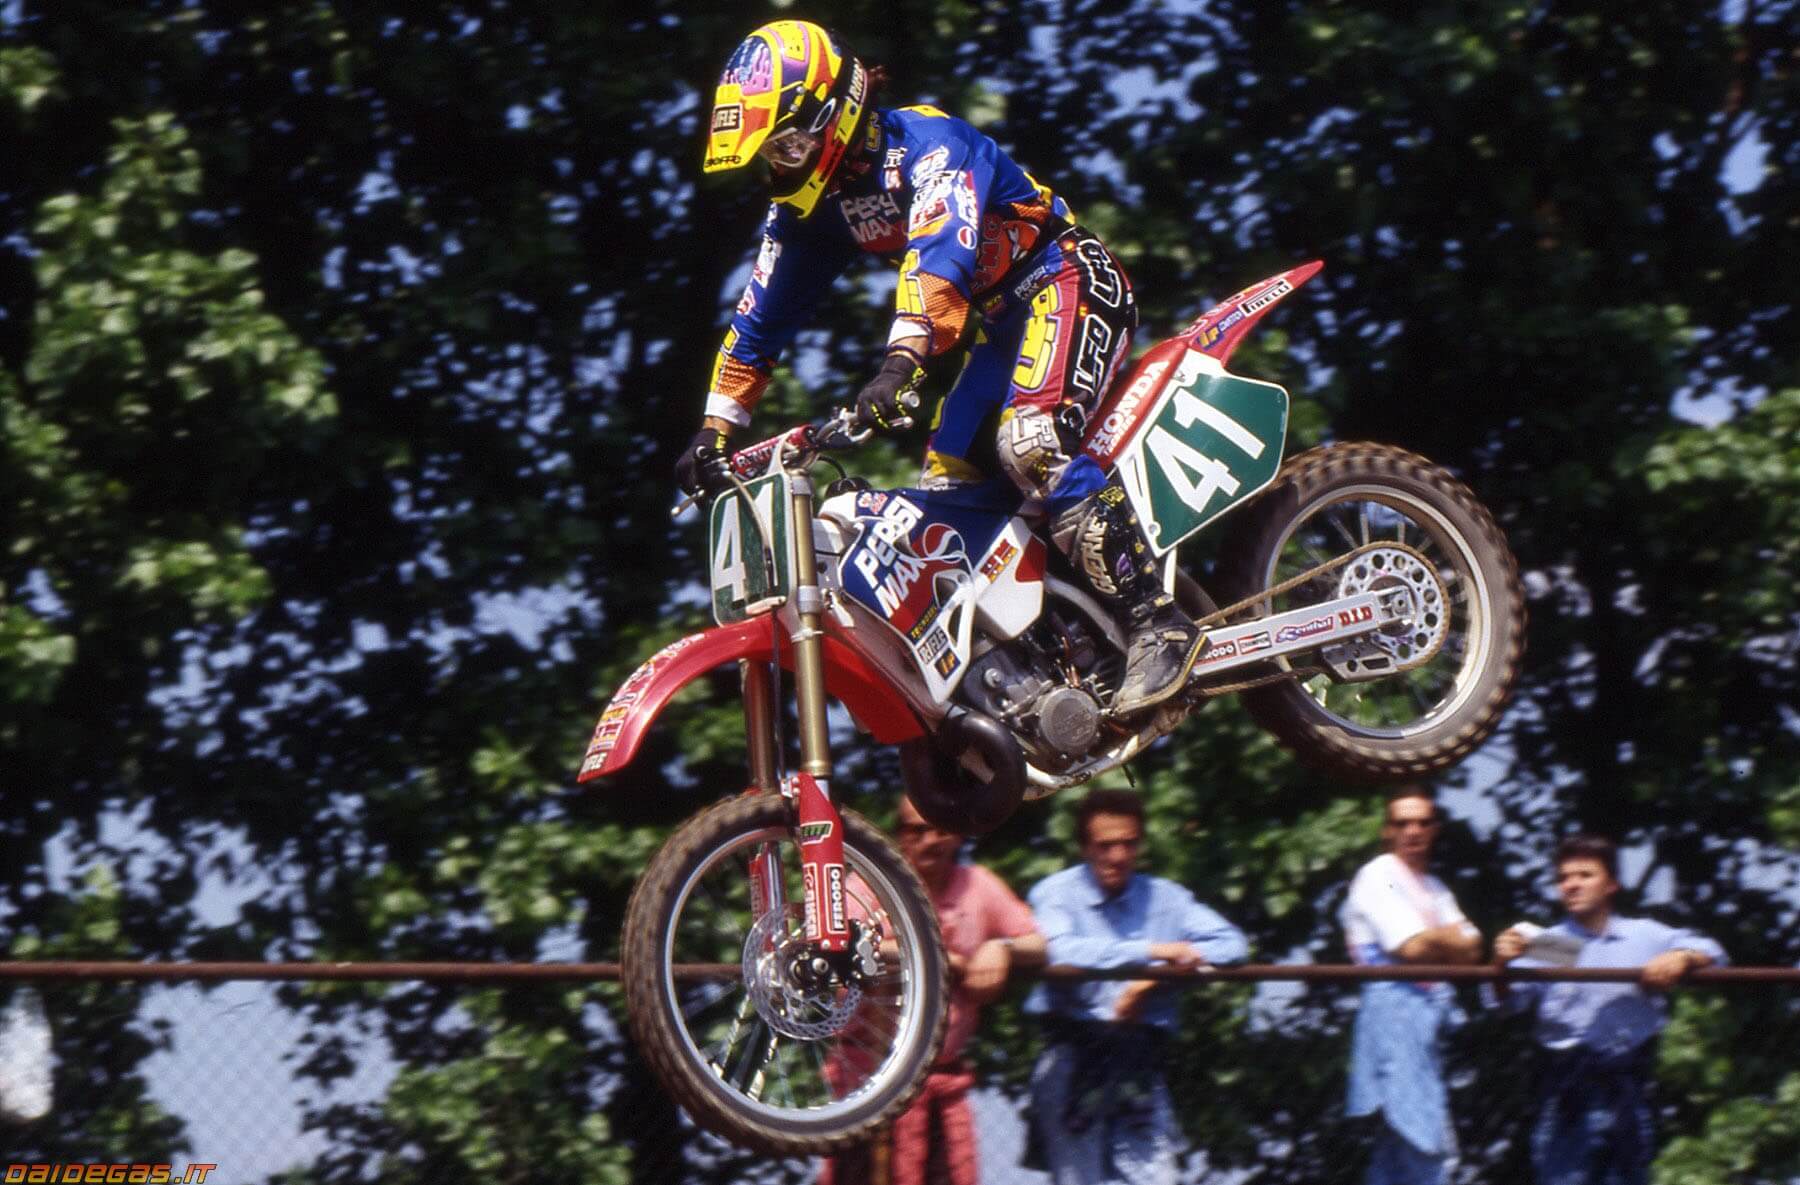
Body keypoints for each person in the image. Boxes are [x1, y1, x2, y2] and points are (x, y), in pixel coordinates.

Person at [680, 19, 1204, 712]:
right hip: (1003, 324)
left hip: (1066, 279)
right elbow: (760, 316)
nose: (780, 167)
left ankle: (1158, 624)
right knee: (947, 497)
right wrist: (714, 428)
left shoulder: (932, 146)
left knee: (1031, 443)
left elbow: (939, 259)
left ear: (832, 113)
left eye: (786, 146)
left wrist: (900, 363)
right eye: (772, 154)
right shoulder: (816, 208)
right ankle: (1058, 657)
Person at [1023, 788, 1248, 1185]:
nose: (1118, 856)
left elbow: (1232, 945)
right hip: (1073, 1058)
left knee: (1157, 1178)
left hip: (1138, 1061)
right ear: (1084, 847)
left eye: (1128, 843)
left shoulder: (1166, 898)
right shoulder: (1055, 894)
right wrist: (1151, 951)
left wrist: (1150, 980)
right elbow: (1059, 950)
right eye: (1105, 845)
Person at [821, 796, 1045, 1185]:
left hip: (941, 1081)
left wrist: (1002, 948)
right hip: (870, 1085)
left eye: (941, 830)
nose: (930, 841)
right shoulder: (867, 887)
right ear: (900, 836)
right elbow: (835, 946)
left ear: (957, 836)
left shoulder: (977, 886)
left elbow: (1038, 944)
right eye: (917, 830)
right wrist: (933, 956)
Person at [1490, 833, 1726, 1185]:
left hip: (1629, 1088)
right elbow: (1505, 1002)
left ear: (1611, 884)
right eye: (1564, 878)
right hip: (1565, 1092)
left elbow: (1714, 953)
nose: (1571, 885)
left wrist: (1682, 958)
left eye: (1585, 875)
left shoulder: (1643, 936)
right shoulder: (1550, 944)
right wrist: (1500, 964)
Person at [1340, 786, 1484, 1185]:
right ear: (1387, 830)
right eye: (1403, 823)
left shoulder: (1434, 888)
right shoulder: (1379, 875)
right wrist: (1448, 939)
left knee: (1398, 1154)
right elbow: (1411, 947)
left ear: (1434, 829)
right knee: (1421, 1139)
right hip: (1394, 1022)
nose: (1413, 831)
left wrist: (1438, 942)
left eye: (1422, 822)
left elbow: (1473, 951)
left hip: (1428, 1022)